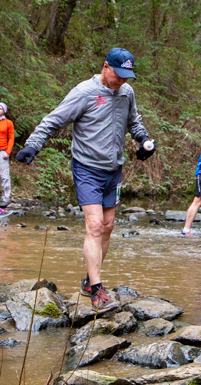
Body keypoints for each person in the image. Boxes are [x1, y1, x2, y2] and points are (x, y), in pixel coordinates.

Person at [16, 48, 155, 310]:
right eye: (119, 74)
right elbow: (53, 120)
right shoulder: (84, 92)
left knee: (108, 226)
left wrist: (144, 140)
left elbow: (133, 121)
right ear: (105, 66)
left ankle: (90, 280)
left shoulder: (126, 93)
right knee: (94, 225)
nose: (122, 81)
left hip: (114, 169)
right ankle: (97, 291)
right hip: (87, 168)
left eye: (128, 76)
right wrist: (33, 145)